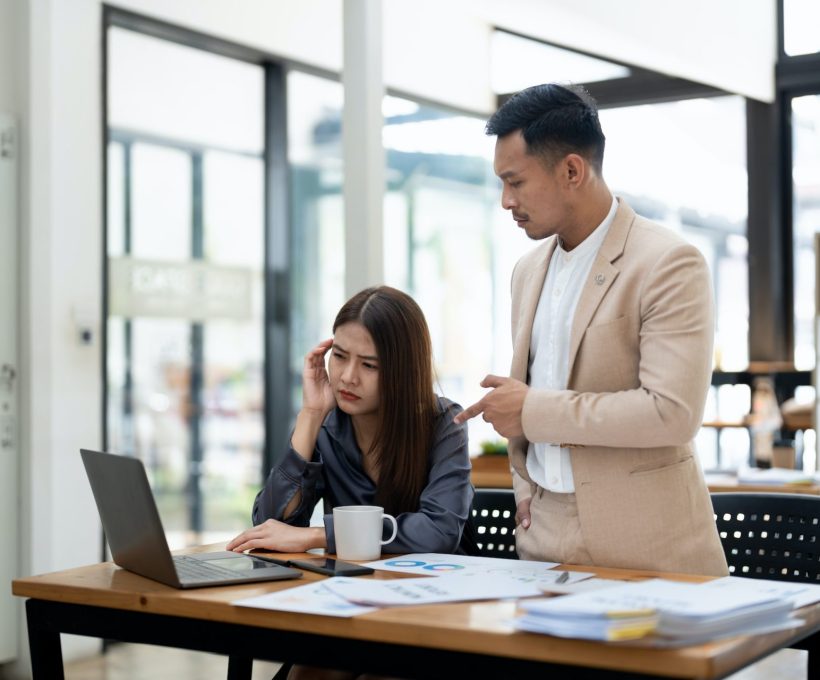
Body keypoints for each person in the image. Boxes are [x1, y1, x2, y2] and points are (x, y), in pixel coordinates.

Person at [455, 83, 728, 576]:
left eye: (515, 182)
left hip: (644, 542)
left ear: (572, 171)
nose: (504, 201)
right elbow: (532, 391)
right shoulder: (526, 270)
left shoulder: (668, 262)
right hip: (541, 539)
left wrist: (532, 411)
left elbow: (672, 413)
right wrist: (525, 489)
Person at [228, 285, 475, 560]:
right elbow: (271, 525)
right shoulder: (326, 424)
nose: (347, 377)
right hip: (354, 587)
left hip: (440, 589)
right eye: (340, 356)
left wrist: (320, 535)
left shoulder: (444, 423)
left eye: (369, 365)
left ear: (403, 372)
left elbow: (438, 532)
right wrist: (311, 414)